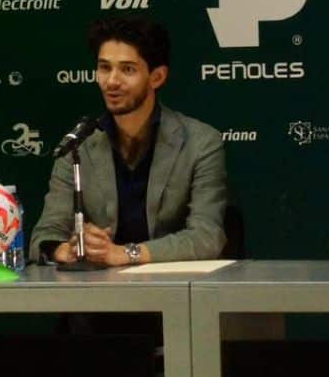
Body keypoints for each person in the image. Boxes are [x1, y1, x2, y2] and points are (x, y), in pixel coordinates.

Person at [30, 16, 228, 266]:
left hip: (175, 285)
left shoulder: (200, 142)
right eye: (105, 68)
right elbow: (44, 235)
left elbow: (207, 237)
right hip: (101, 287)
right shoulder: (78, 146)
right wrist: (66, 250)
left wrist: (126, 253)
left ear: (157, 77)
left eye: (127, 70)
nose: (112, 81)